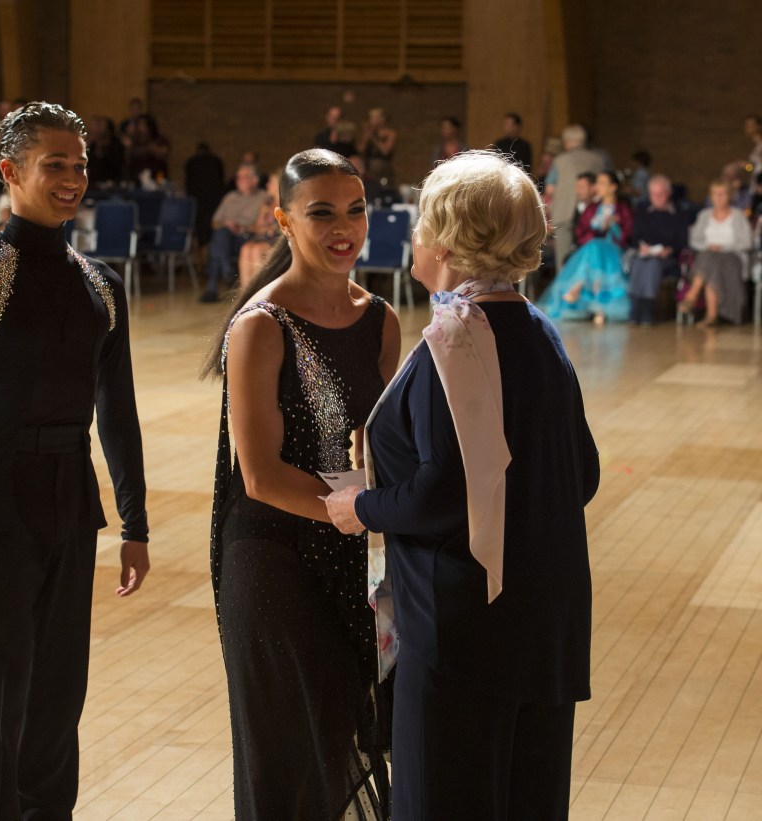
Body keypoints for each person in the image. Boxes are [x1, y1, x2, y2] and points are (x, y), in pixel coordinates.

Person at [325, 151, 599, 820]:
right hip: (544, 622)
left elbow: (442, 493)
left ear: (447, 240)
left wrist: (356, 505)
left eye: (422, 220)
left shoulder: (458, 340)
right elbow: (583, 472)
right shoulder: (540, 331)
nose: (413, 233)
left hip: (464, 633)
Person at [0, 101, 150, 819]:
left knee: (57, 697)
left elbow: (117, 410)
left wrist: (134, 522)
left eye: (80, 164)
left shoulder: (101, 285)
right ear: (10, 171)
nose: (74, 178)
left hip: (71, 505)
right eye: (57, 165)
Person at [202, 148, 400, 820]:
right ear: (282, 219)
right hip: (272, 559)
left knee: (343, 739)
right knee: (286, 757)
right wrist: (358, 510)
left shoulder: (381, 317)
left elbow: (379, 446)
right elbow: (257, 474)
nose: (345, 226)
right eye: (322, 213)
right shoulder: (260, 325)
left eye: (356, 209)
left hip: (350, 550)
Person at [539, 170, 633, 324]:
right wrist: (598, 229)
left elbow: (628, 234)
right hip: (591, 249)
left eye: (602, 183)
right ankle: (598, 306)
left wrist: (614, 226)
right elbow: (581, 233)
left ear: (613, 187)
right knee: (594, 248)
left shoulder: (623, 209)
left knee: (596, 248)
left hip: (613, 250)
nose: (598, 187)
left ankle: (579, 287)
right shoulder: (592, 208)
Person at [681, 178, 753, 326]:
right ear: (711, 196)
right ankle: (711, 315)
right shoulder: (704, 215)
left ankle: (692, 295)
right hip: (708, 256)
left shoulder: (738, 216)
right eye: (716, 194)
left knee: (710, 259)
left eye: (723, 194)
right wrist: (709, 246)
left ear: (729, 196)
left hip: (733, 257)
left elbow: (747, 242)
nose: (719, 198)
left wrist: (723, 247)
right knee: (710, 260)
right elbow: (694, 240)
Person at [627, 174, 689, 325]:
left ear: (668, 194)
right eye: (654, 194)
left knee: (653, 264)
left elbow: (682, 241)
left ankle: (647, 307)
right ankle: (636, 306)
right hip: (646, 254)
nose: (658, 198)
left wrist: (669, 250)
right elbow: (635, 237)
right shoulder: (643, 212)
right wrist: (641, 246)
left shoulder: (678, 215)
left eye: (661, 194)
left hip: (668, 258)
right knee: (638, 263)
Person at [199, 162, 264, 302]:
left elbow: (262, 225)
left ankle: (212, 288)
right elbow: (214, 222)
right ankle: (227, 269)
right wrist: (227, 224)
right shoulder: (230, 197)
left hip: (246, 237)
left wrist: (242, 227)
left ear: (255, 180)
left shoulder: (263, 198)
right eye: (238, 178)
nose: (239, 181)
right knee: (220, 234)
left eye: (243, 177)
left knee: (217, 243)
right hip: (226, 237)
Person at [543, 124, 606, 264]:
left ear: (567, 142)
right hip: (592, 213)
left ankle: (564, 284)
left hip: (564, 212)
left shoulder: (560, 161)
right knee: (590, 255)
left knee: (564, 259)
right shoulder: (598, 159)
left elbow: (550, 189)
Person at [236, 169, 281, 287]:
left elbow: (285, 228)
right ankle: (245, 294)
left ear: (279, 185)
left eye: (271, 182)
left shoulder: (285, 204)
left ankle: (258, 294)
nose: (267, 185)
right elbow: (256, 227)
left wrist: (272, 227)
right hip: (263, 238)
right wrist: (263, 222)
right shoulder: (266, 204)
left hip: (278, 241)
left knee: (257, 251)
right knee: (246, 248)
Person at [361, 107, 397, 186]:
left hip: (384, 169)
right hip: (369, 168)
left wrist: (374, 138)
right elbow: (361, 149)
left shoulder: (390, 133)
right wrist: (367, 136)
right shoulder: (369, 133)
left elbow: (385, 151)